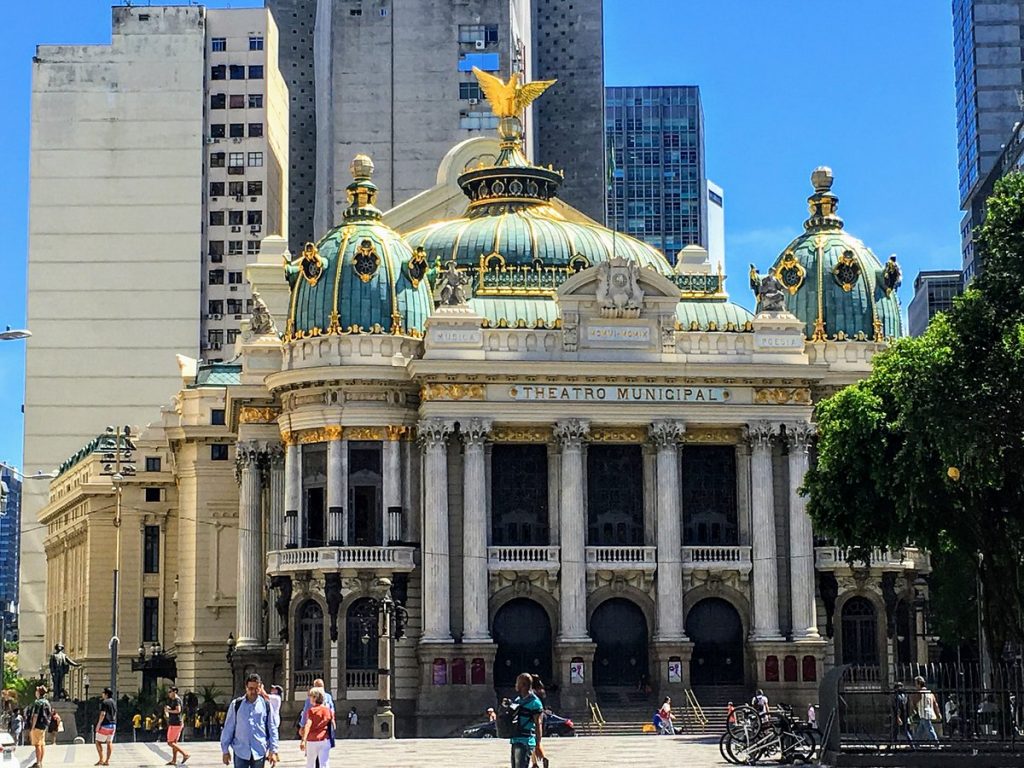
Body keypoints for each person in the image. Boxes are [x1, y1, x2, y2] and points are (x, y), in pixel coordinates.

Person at [220, 674, 279, 768]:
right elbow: (228, 728)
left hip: (259, 750)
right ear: (246, 688)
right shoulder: (236, 705)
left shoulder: (266, 705)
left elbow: (272, 728)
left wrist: (274, 750)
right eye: (251, 688)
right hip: (240, 751)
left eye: (256, 689)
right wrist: (225, 751)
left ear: (260, 688)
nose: (253, 692)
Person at [506, 672, 544, 768]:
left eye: (517, 682)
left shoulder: (535, 702)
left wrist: (538, 744)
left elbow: (538, 723)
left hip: (525, 742)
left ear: (523, 685)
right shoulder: (518, 699)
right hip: (515, 740)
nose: (515, 685)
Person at [299, 688, 334, 768]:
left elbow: (308, 725)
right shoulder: (327, 710)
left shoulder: (312, 710)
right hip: (325, 740)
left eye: (310, 696)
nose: (309, 698)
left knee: (310, 764)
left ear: (315, 698)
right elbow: (332, 724)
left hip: (312, 740)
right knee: (324, 764)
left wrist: (303, 740)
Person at [298, 678, 335, 746]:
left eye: (321, 686)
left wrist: (332, 720)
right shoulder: (310, 699)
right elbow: (306, 712)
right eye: (318, 686)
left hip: (325, 724)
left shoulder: (328, 697)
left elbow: (332, 709)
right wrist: (302, 725)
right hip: (314, 724)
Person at [165, 686, 190, 765]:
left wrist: (168, 710)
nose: (169, 693)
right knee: (174, 742)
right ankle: (174, 760)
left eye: (170, 692)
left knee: (170, 742)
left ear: (174, 692)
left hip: (175, 723)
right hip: (176, 723)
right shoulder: (174, 700)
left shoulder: (176, 700)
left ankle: (185, 754)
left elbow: (178, 710)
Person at [911, 676, 940, 743]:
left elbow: (915, 702)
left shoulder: (920, 692)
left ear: (919, 684)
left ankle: (936, 743)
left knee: (929, 729)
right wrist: (938, 713)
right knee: (920, 730)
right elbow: (935, 704)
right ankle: (915, 743)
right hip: (929, 712)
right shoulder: (929, 692)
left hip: (924, 713)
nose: (915, 686)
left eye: (916, 684)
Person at [28, 685, 51, 768]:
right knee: (42, 744)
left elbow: (35, 715)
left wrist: (32, 727)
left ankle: (38, 763)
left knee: (37, 744)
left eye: (36, 691)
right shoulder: (47, 702)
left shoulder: (37, 702)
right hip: (44, 725)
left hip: (37, 725)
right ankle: (40, 761)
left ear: (38, 692)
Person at [93, 687, 117, 766]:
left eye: (103, 693)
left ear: (106, 694)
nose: (102, 694)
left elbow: (103, 714)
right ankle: (107, 760)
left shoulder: (105, 702)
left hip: (105, 724)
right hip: (113, 724)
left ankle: (101, 759)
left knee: (98, 741)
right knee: (109, 742)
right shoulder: (114, 702)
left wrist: (98, 724)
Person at [889, 682, 914, 749]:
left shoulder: (896, 696)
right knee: (896, 731)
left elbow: (897, 707)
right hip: (905, 716)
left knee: (900, 731)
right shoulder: (905, 695)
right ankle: (890, 745)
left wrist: (898, 717)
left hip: (899, 716)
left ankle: (912, 745)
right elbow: (909, 706)